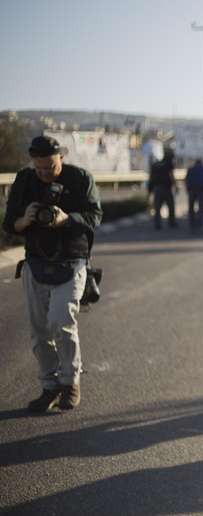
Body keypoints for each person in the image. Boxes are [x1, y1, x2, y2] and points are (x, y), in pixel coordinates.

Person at [2, 135, 102, 412]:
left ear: (62, 157)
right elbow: (10, 223)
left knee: (62, 321)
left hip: (72, 261)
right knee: (39, 332)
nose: (46, 173)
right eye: (40, 169)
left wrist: (66, 219)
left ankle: (70, 382)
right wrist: (26, 218)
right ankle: (49, 387)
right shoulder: (24, 180)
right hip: (35, 263)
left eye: (52, 167)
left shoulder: (80, 178)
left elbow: (95, 217)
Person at [148, 148, 177, 229]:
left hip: (157, 188)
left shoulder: (155, 164)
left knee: (157, 207)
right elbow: (171, 175)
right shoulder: (169, 164)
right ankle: (172, 222)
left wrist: (150, 190)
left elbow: (151, 178)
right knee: (170, 206)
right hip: (166, 188)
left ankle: (157, 224)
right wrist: (175, 185)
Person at [185, 158, 203, 229]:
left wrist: (187, 189)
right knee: (201, 207)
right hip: (201, 190)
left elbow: (186, 179)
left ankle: (191, 222)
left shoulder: (190, 169)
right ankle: (199, 223)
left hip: (191, 189)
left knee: (191, 207)